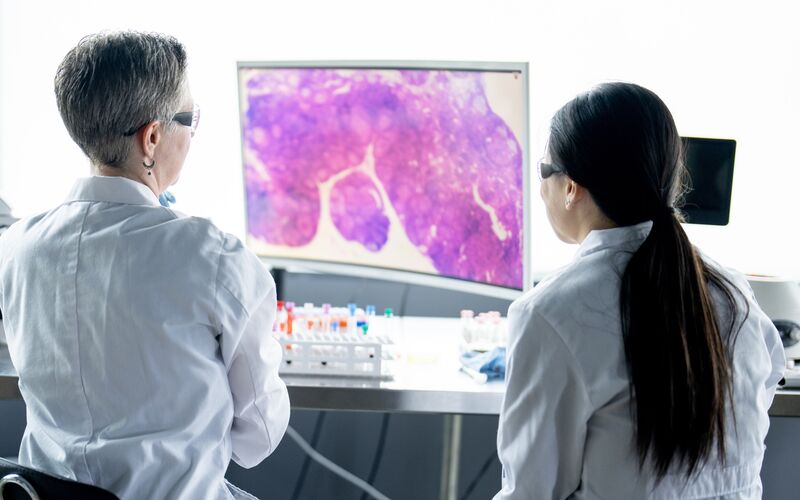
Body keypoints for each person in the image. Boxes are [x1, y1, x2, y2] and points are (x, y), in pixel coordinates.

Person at [0, 31, 289, 499]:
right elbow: (260, 434)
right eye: (190, 118)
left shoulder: (15, 247)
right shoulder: (214, 259)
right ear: (152, 137)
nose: (193, 132)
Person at [495, 82, 784, 499]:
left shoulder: (550, 313)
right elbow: (768, 380)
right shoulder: (734, 292)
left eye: (544, 171)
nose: (541, 189)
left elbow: (531, 491)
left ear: (572, 186)